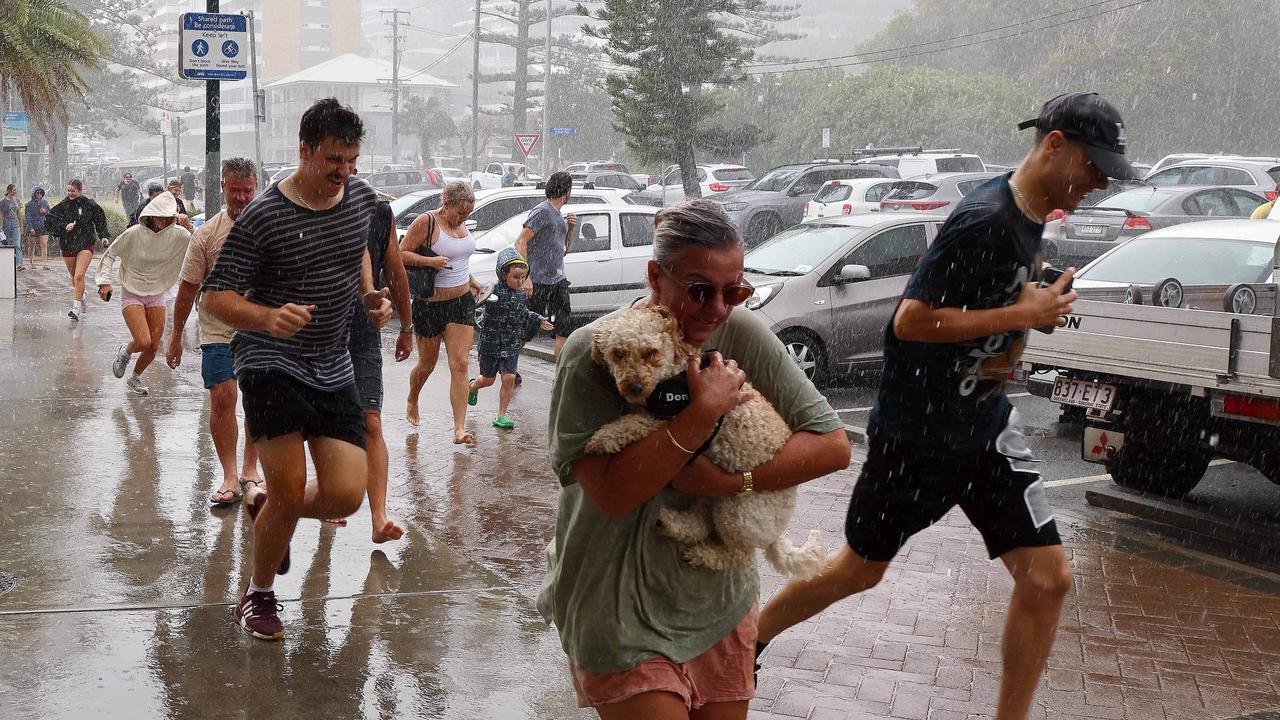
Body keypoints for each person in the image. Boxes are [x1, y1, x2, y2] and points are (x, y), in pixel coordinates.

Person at [755, 92, 1137, 720]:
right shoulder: (984, 218)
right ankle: (752, 639)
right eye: (1093, 167)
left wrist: (1024, 315)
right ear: (1055, 144)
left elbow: (983, 305)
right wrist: (1021, 312)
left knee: (1049, 580)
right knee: (858, 571)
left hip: (986, 431)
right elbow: (909, 322)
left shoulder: (1033, 213)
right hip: (918, 437)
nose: (1097, 184)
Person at [537, 200, 850, 720]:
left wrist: (733, 482)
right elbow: (612, 494)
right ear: (656, 276)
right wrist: (701, 413)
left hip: (716, 602)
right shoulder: (596, 353)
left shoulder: (740, 333)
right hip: (616, 599)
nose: (718, 309)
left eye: (736, 291)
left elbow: (832, 445)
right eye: (701, 291)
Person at [202, 97, 393, 641]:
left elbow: (355, 245)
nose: (344, 171)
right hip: (269, 359)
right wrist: (267, 316)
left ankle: (265, 511)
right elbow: (216, 299)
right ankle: (258, 596)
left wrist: (370, 297)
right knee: (289, 486)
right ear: (304, 150)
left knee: (344, 496)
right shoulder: (264, 216)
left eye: (352, 159)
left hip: (332, 361)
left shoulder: (357, 198)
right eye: (334, 159)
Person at [166, 158, 265, 505]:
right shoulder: (206, 235)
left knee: (257, 398)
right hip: (217, 327)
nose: (241, 197)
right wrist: (176, 337)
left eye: (247, 190)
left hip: (260, 327)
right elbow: (187, 289)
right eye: (235, 190)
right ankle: (229, 475)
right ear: (222, 186)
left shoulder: (271, 228)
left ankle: (251, 469)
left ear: (256, 188)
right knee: (224, 397)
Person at [342, 196, 414, 542]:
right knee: (330, 423)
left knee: (372, 421)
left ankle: (378, 517)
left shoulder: (379, 211)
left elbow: (395, 268)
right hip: (322, 330)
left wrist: (406, 326)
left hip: (365, 331)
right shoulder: (312, 205)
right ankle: (331, 496)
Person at [401, 180, 485, 444]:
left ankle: (459, 429)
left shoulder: (460, 225)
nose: (463, 218)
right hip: (430, 305)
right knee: (426, 365)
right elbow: (400, 253)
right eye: (460, 212)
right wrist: (429, 262)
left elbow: (457, 259)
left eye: (468, 214)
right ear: (446, 204)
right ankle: (413, 397)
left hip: (461, 303)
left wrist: (470, 279)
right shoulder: (426, 222)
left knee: (460, 364)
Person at [95, 191, 193, 396]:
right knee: (143, 341)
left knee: (154, 346)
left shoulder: (179, 235)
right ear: (150, 215)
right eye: (158, 216)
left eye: (167, 218)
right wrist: (104, 282)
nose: (161, 222)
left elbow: (201, 245)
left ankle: (135, 377)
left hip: (157, 291)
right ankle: (126, 350)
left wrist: (189, 226)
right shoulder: (134, 233)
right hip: (132, 291)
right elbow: (110, 254)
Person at [467, 247, 552, 430]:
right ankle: (473, 386)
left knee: (509, 379)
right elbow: (477, 305)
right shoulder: (492, 290)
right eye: (515, 277)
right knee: (488, 380)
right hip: (490, 343)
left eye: (523, 277)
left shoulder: (521, 294)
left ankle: (501, 415)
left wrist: (538, 320)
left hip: (511, 344)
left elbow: (522, 313)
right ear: (503, 274)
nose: (520, 281)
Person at [514, 170, 577, 361]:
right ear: (566, 191)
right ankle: (508, 364)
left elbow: (565, 248)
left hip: (558, 281)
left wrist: (571, 228)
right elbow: (520, 241)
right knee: (528, 329)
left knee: (564, 328)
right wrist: (527, 277)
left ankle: (560, 374)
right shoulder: (542, 211)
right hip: (538, 282)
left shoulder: (559, 215)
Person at [46, 179, 111, 321]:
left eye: (73, 191)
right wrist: (64, 226)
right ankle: (82, 294)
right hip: (68, 244)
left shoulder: (89, 204)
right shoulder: (62, 206)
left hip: (85, 243)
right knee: (74, 276)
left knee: (79, 276)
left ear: (80, 191)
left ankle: (75, 308)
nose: (70, 193)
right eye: (68, 190)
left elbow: (100, 219)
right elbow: (50, 221)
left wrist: (104, 236)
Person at [24, 187, 50, 271]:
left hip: (43, 225)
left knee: (44, 244)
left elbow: (50, 214)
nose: (39, 194)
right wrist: (30, 227)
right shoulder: (29, 204)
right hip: (33, 226)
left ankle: (45, 264)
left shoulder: (45, 203)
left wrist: (45, 212)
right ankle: (31, 262)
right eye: (37, 193)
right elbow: (27, 217)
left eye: (41, 193)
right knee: (32, 245)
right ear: (34, 193)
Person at [1, 184, 21, 270]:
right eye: (13, 190)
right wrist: (0, 225)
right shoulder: (3, 201)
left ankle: (19, 263)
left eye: (15, 190)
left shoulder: (17, 200)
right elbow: (1, 214)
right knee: (8, 243)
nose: (15, 192)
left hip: (15, 223)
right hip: (6, 223)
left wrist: (21, 225)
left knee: (17, 243)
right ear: (9, 190)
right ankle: (9, 262)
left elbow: (18, 213)